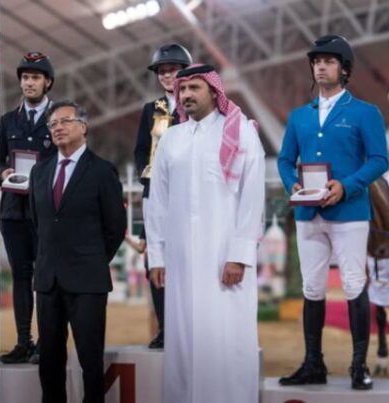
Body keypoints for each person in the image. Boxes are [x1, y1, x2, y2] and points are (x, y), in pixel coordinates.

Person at [146, 64, 266, 403]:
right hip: (182, 262)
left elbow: (252, 197)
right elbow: (158, 201)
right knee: (183, 341)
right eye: (182, 90)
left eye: (194, 88)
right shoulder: (171, 138)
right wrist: (158, 255)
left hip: (225, 260)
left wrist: (239, 255)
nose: (185, 95)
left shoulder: (241, 132)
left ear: (214, 92)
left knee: (227, 339)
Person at [277, 35, 388, 391]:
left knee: (355, 285)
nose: (321, 66)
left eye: (328, 61)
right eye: (317, 61)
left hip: (350, 213)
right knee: (312, 288)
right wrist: (291, 183)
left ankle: (359, 366)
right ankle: (314, 363)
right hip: (308, 216)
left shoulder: (365, 113)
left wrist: (348, 185)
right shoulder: (299, 117)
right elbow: (282, 160)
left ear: (344, 68)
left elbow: (379, 160)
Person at [29, 100, 126, 402]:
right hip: (47, 283)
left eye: (64, 121)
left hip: (87, 281)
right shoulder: (39, 172)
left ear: (83, 127)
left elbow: (115, 226)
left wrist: (92, 259)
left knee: (90, 361)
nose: (57, 127)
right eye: (52, 124)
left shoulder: (102, 171)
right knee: (49, 362)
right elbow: (38, 223)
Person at [133, 43, 192, 349]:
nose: (168, 76)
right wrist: (148, 175)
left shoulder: (198, 107)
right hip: (156, 194)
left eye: (174, 70)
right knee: (154, 262)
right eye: (163, 72)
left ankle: (190, 326)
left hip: (192, 196)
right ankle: (166, 327)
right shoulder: (151, 110)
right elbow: (141, 152)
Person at [0, 51, 57, 364]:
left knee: (46, 276)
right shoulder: (7, 121)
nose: (29, 82)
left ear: (47, 82)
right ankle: (24, 341)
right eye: (25, 77)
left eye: (35, 77)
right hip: (13, 210)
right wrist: (2, 173)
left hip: (46, 210)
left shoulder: (59, 118)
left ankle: (48, 343)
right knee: (21, 276)